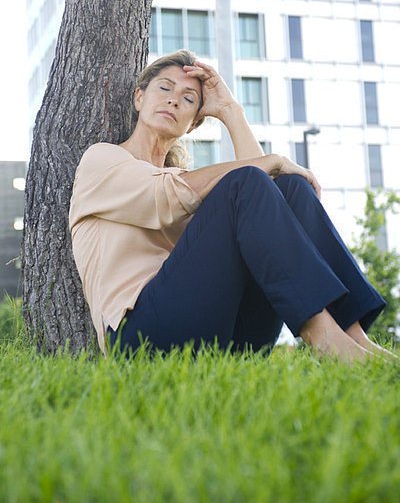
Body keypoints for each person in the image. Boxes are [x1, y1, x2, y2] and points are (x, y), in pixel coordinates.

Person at [69, 49, 398, 364]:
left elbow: (270, 197)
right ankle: (325, 341)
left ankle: (353, 337)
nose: (173, 99)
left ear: (192, 124)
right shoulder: (104, 160)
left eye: (188, 99)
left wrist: (229, 109)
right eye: (164, 88)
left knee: (289, 186)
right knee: (249, 180)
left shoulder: (189, 181)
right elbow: (165, 197)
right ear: (140, 98)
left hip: (220, 332)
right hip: (138, 337)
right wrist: (274, 159)